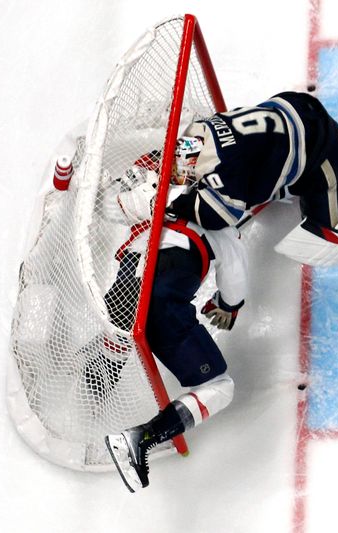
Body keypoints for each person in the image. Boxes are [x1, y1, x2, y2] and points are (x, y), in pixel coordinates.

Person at [167, 90, 338, 286]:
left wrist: (172, 206)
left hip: (322, 146)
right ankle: (290, 182)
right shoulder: (196, 131)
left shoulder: (226, 168)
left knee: (328, 230)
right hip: (290, 108)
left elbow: (219, 217)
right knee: (256, 176)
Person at [102, 157, 247, 493]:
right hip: (161, 294)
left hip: (125, 282)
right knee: (220, 386)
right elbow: (235, 281)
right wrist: (228, 305)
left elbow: (111, 207)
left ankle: (93, 381)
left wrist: (137, 191)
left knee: (118, 336)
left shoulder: (157, 191)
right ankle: (141, 438)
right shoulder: (221, 222)